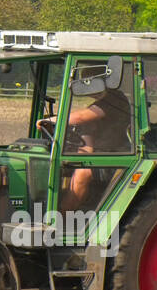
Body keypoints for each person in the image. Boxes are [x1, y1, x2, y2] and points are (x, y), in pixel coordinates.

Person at [37, 83, 132, 211]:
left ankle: (63, 218)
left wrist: (51, 120)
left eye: (85, 81)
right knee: (66, 166)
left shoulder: (114, 100)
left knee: (83, 172)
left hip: (121, 153)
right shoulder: (101, 103)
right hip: (102, 152)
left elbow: (81, 117)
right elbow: (88, 145)